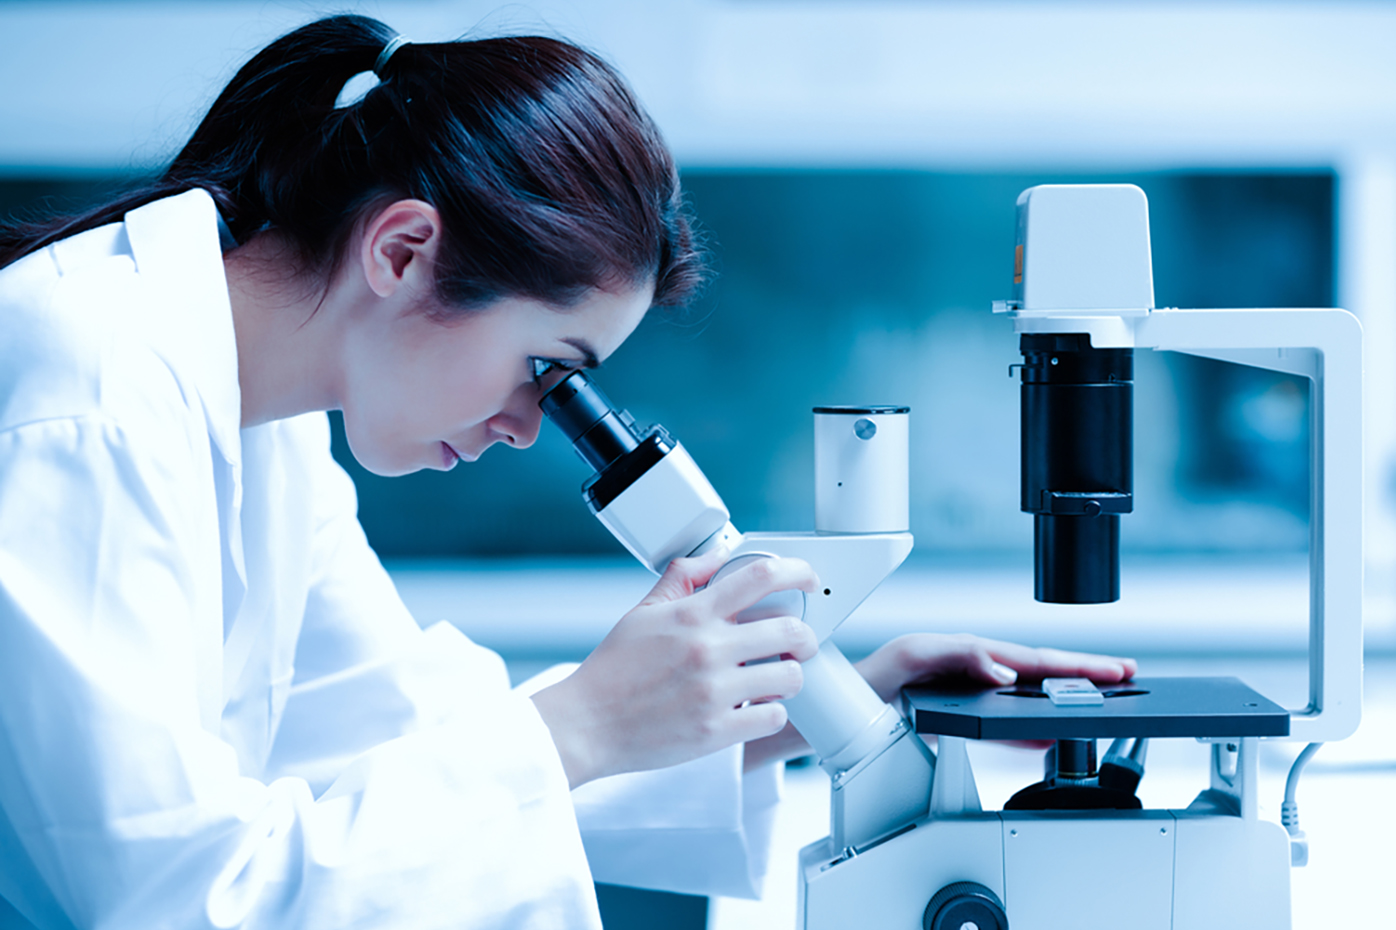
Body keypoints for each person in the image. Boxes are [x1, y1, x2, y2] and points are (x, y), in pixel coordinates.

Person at [0, 14, 1137, 930]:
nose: (528, 426)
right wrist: (585, 718)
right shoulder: (88, 395)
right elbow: (158, 904)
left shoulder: (267, 418)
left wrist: (825, 704)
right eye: (547, 370)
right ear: (402, 252)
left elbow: (400, 738)